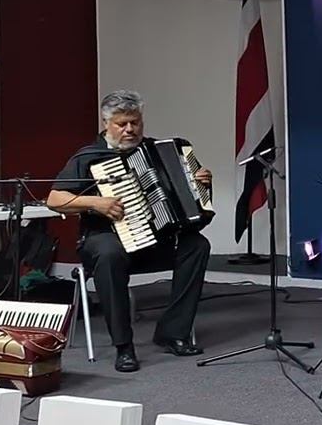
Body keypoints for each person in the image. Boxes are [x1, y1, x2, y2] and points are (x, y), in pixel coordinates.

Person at [46, 90, 212, 373]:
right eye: (122, 124)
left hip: (152, 242)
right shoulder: (89, 158)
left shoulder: (157, 150)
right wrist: (95, 202)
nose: (130, 129)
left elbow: (188, 195)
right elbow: (54, 199)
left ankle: (173, 332)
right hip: (105, 240)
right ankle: (124, 347)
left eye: (135, 122)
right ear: (105, 123)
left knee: (196, 245)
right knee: (110, 254)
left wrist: (199, 183)